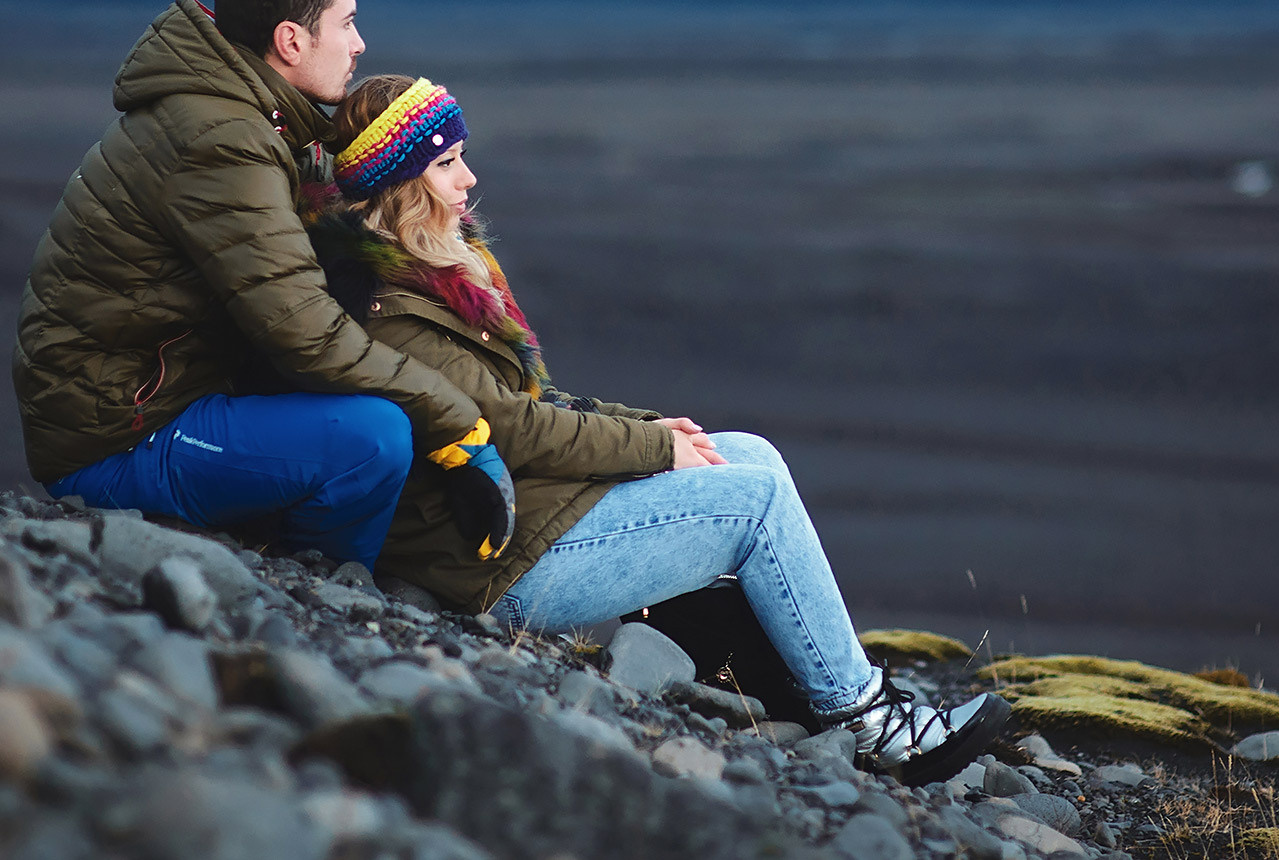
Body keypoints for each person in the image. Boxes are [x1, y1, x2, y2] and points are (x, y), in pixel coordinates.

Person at [299, 72, 1012, 785]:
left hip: (528, 512)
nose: (469, 177)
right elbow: (509, 429)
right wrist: (651, 449)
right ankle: (870, 720)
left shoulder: (431, 274)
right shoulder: (393, 313)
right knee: (752, 501)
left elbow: (533, 402)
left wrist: (647, 427)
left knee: (745, 453)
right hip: (498, 562)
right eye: (447, 163)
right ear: (400, 184)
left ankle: (770, 668)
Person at [11, 0, 495, 570]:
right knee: (374, 438)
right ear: (291, 40)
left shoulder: (254, 121)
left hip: (164, 401)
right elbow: (304, 330)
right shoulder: (221, 140)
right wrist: (462, 426)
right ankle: (327, 596)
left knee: (372, 416)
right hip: (119, 439)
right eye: (347, 24)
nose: (360, 44)